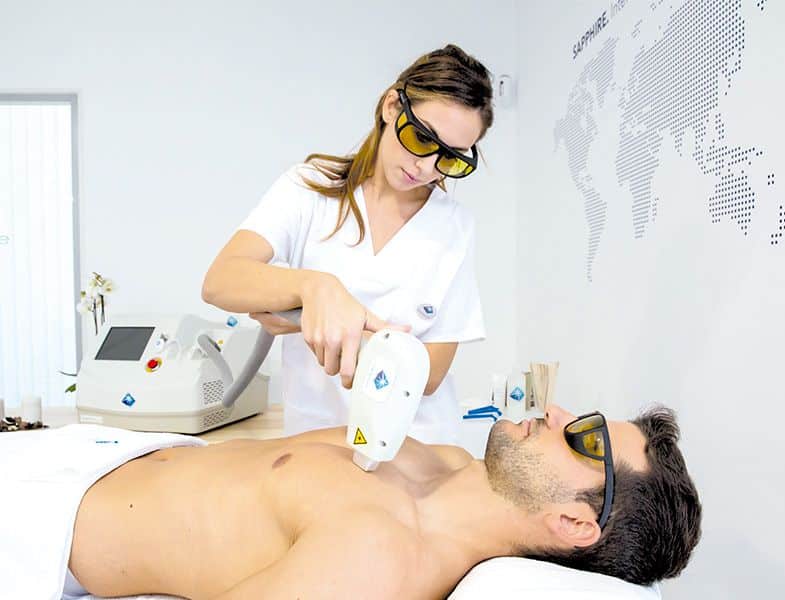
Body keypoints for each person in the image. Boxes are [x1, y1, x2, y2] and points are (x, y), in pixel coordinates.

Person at [62, 404, 701, 598]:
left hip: (51, 529)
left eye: (586, 439)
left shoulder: (378, 560)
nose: (558, 412)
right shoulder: (446, 461)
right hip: (93, 456)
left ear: (573, 522)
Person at [202, 44, 494, 443]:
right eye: (422, 138)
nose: (426, 167)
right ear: (392, 106)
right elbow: (221, 280)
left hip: (417, 447)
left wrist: (314, 319)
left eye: (451, 158)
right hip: (317, 441)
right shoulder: (310, 187)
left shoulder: (454, 225)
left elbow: (430, 375)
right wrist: (316, 288)